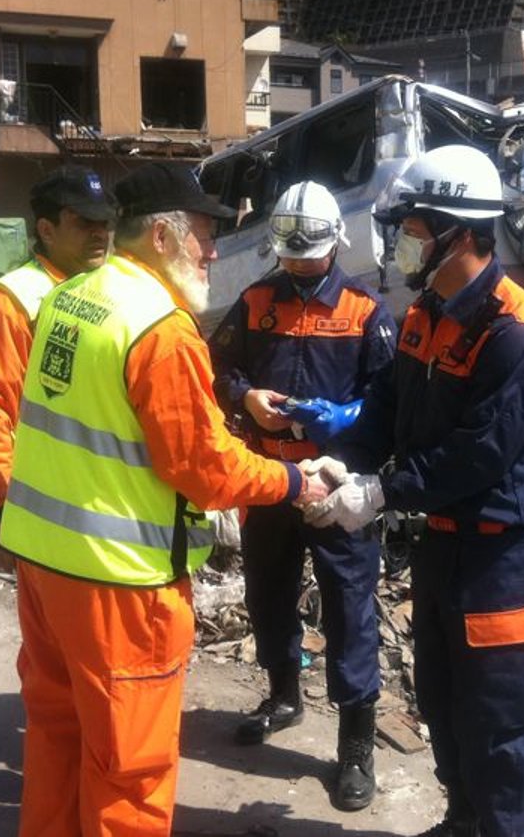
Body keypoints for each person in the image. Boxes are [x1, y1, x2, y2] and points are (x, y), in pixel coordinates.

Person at [0, 162, 330, 837]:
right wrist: (296, 482)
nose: (213, 251)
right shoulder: (161, 329)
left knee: (58, 742)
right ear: (160, 236)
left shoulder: (69, 297)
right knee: (131, 769)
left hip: (41, 562)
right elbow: (203, 469)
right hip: (119, 584)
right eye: (205, 235)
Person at [305, 144, 524, 837]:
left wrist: (383, 491)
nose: (406, 245)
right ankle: (463, 821)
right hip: (442, 552)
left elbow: (479, 454)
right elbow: (387, 408)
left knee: (501, 725)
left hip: (503, 561)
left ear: (460, 232)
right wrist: (343, 463)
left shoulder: (517, 334)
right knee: (445, 704)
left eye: (416, 229)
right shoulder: (426, 314)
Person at [210, 180, 396, 811]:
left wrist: (347, 417)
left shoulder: (367, 312)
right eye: (287, 255)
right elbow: (219, 369)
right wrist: (244, 398)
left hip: (335, 487)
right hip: (268, 481)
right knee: (267, 592)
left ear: (336, 244)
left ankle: (355, 744)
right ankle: (284, 694)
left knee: (348, 611)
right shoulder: (256, 300)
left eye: (307, 255)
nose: (295, 266)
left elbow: (393, 404)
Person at [0, 165, 114, 572]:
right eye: (84, 223)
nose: (100, 233)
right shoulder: (13, 302)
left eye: (104, 222)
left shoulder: (110, 291)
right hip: (41, 511)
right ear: (46, 230)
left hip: (101, 508)